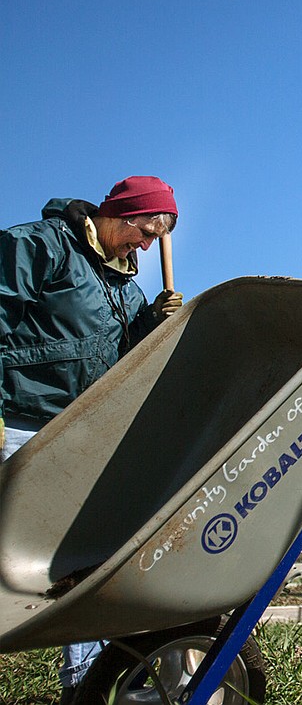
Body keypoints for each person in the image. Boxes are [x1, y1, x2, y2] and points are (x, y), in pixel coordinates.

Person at [0, 175, 183, 703]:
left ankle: (88, 687)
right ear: (121, 214)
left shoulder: (126, 286)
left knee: (82, 561)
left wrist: (152, 323)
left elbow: (121, 363)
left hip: (74, 432)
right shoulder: (40, 245)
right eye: (146, 231)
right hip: (18, 423)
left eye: (156, 238)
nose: (147, 246)